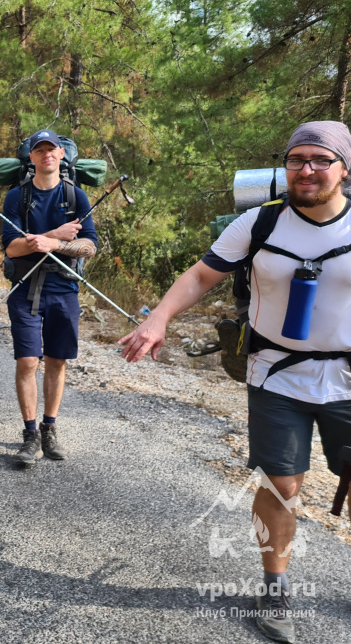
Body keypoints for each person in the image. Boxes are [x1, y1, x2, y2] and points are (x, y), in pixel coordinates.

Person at [119, 120, 351, 644]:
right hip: (277, 374)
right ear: (285, 166)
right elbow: (203, 274)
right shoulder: (260, 222)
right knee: (282, 483)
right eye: (297, 160)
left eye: (321, 160)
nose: (307, 170)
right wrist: (158, 319)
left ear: (344, 168)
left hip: (349, 379)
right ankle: (275, 587)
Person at [1, 129, 97, 468]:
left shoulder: (76, 197)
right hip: (25, 288)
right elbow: (11, 248)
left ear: (61, 154)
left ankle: (49, 427)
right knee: (28, 361)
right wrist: (51, 235)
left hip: (65, 288)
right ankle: (29, 434)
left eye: (51, 150)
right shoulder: (17, 197)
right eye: (39, 150)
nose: (46, 156)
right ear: (32, 157)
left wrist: (55, 245)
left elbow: (89, 246)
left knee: (57, 361)